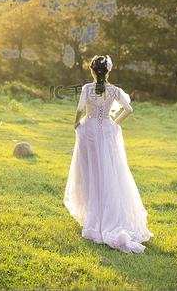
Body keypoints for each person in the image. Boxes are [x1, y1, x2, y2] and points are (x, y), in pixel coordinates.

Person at [63, 55, 153, 253]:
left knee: (90, 174)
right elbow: (129, 109)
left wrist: (76, 123)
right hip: (106, 134)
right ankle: (107, 216)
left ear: (93, 71)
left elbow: (79, 108)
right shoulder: (114, 90)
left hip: (89, 132)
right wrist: (115, 123)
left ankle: (94, 216)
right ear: (108, 71)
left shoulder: (87, 88)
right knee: (109, 173)